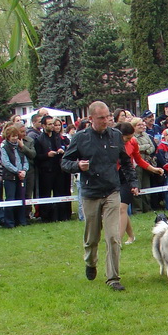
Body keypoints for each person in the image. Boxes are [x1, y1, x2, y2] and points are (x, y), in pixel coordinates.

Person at [61, 101, 138, 292]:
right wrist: (78, 166)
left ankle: (113, 278)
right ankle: (90, 261)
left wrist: (133, 183)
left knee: (113, 237)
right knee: (92, 237)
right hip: (90, 193)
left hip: (112, 191)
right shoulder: (80, 138)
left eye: (108, 117)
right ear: (91, 119)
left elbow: (126, 162)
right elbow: (65, 162)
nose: (106, 121)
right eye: (101, 118)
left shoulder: (116, 136)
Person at [0, 123, 29, 228]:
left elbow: (25, 160)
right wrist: (17, 171)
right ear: (8, 137)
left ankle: (21, 220)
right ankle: (10, 222)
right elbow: (6, 163)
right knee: (10, 199)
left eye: (16, 136)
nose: (15, 138)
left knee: (21, 199)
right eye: (13, 136)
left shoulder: (20, 147)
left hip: (21, 177)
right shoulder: (4, 147)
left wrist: (24, 170)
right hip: (10, 178)